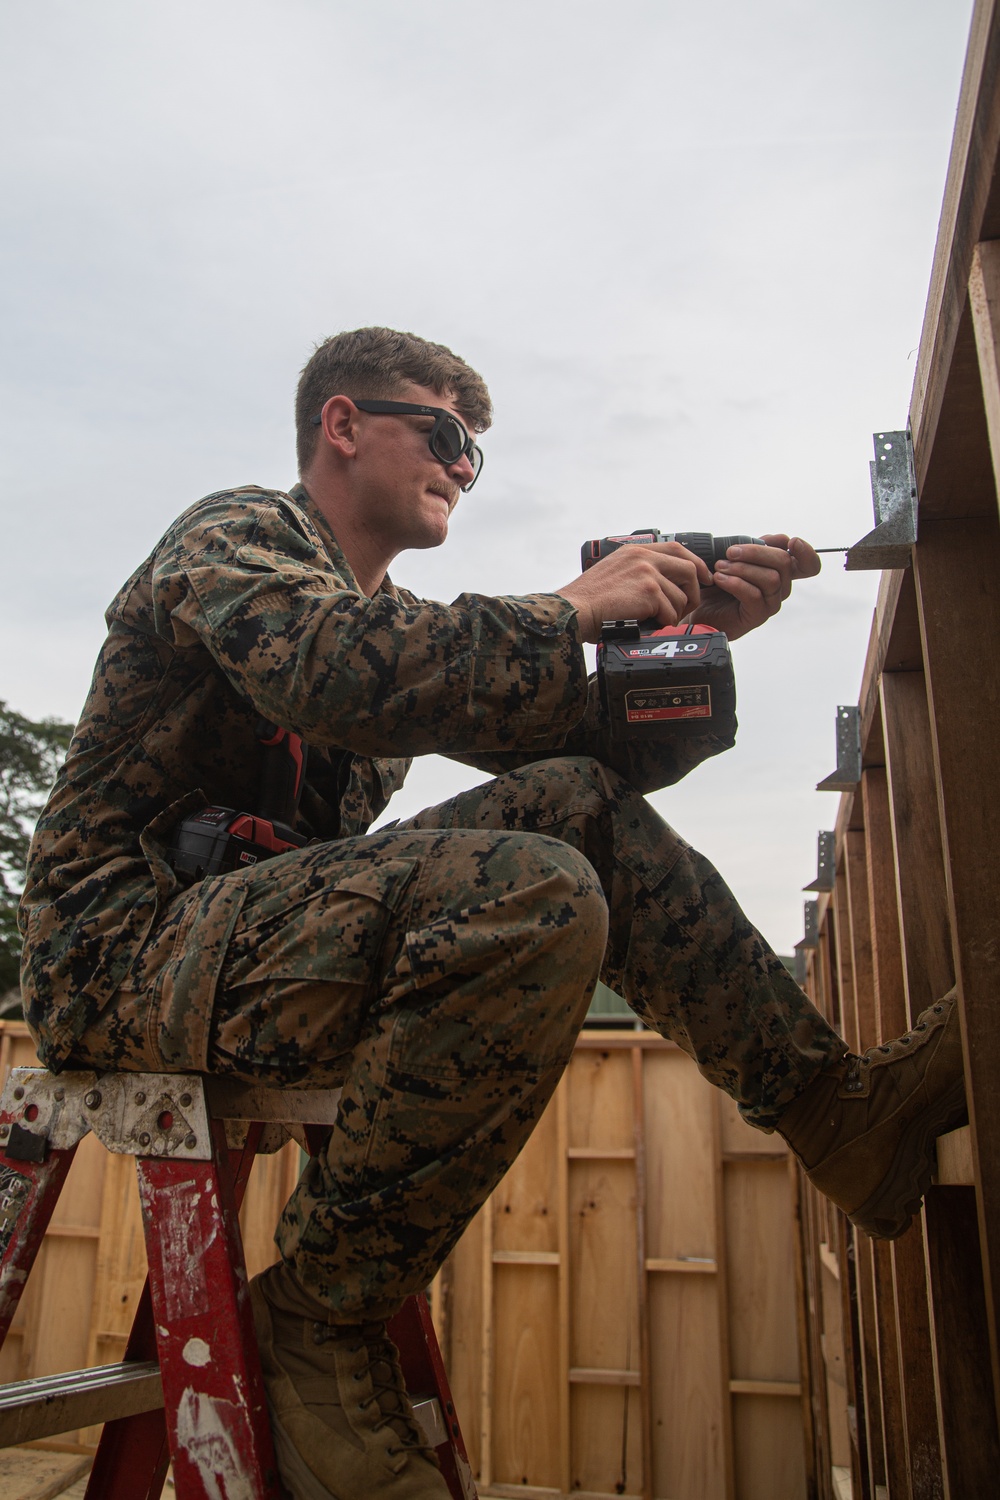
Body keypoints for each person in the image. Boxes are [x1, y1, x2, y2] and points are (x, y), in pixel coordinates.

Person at [19, 327, 967, 1500]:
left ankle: (835, 1112)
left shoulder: (409, 632)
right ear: (343, 424)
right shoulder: (238, 537)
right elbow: (330, 666)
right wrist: (567, 605)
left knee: (573, 813)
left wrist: (687, 643)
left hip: (258, 951)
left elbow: (572, 753)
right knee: (528, 886)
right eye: (447, 436)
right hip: (122, 956)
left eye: (477, 458)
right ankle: (319, 1314)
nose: (464, 469)